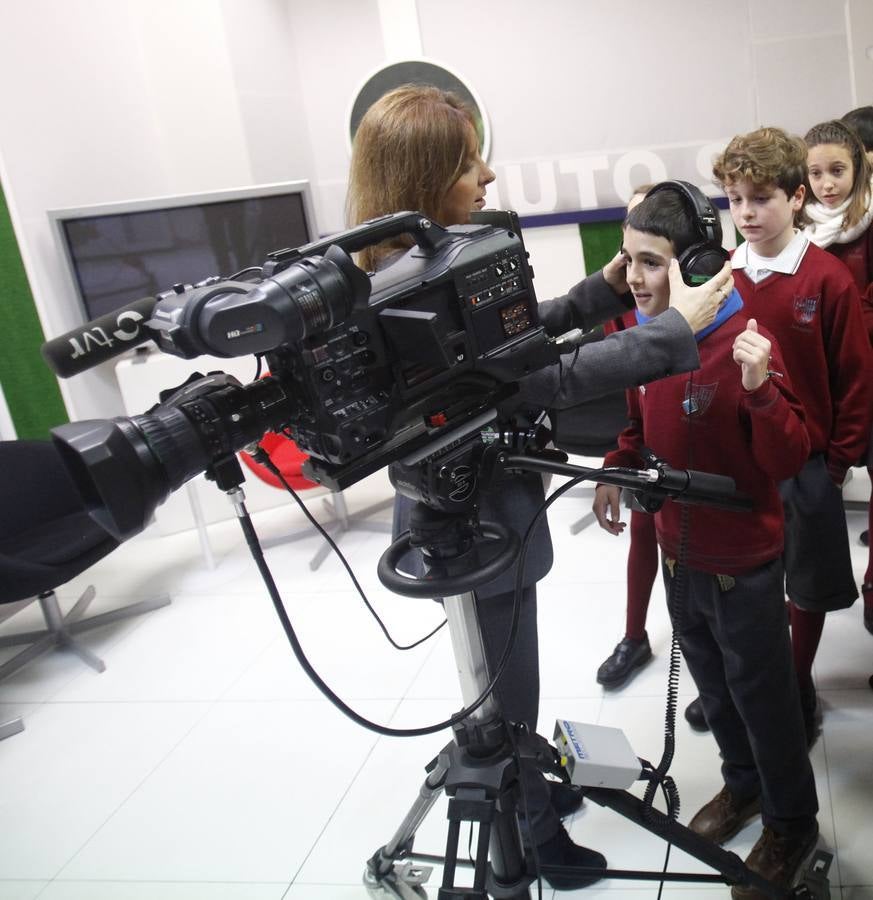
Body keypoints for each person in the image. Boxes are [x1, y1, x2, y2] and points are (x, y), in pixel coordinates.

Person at [346, 84, 732, 892]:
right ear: (423, 177)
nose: (487, 175)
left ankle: (524, 789)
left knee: (506, 677)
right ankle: (527, 833)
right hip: (472, 526)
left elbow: (512, 346)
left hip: (482, 507)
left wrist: (600, 289)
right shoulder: (397, 295)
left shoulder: (427, 266)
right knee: (502, 689)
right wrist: (675, 329)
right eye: (467, 161)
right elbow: (535, 381)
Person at [592, 184, 819, 899]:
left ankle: (791, 823)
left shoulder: (743, 339)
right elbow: (635, 422)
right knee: (716, 692)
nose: (635, 278)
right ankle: (742, 785)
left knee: (765, 701)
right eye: (628, 260)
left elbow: (787, 457)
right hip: (676, 553)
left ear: (694, 265)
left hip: (742, 569)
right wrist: (614, 466)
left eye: (651, 262)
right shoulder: (646, 335)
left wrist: (758, 389)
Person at [713, 126, 873, 744]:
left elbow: (856, 379)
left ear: (796, 197)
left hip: (807, 464)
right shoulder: (724, 278)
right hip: (741, 462)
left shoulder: (826, 278)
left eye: (761, 198)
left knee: (805, 582)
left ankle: (796, 683)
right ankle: (759, 680)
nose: (748, 213)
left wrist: (836, 463)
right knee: (751, 580)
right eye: (736, 200)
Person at [804, 118, 873, 635]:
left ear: (859, 168)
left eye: (838, 171)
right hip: (823, 385)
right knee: (817, 499)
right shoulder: (799, 231)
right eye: (817, 173)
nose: (828, 185)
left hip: (867, 372)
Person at [594, 185, 660, 689]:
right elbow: (634, 408)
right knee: (643, 532)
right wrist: (616, 465)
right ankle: (633, 636)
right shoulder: (617, 306)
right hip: (648, 441)